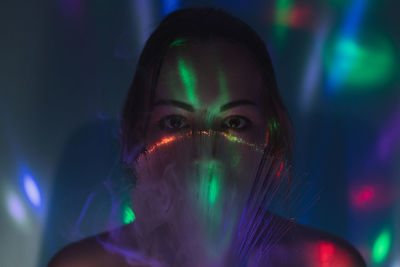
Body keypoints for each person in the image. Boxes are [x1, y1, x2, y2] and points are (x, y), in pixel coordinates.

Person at [48, 8, 366, 267]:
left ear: (270, 134)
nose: (206, 150)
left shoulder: (328, 262)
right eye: (175, 122)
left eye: (235, 123)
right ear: (137, 132)